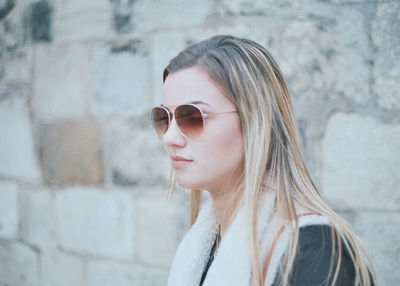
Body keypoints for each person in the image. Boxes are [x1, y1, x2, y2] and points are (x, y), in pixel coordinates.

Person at [150, 35, 376, 286]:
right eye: (164, 118)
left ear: (255, 121)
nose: (169, 137)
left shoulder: (315, 252)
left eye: (191, 117)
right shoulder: (204, 247)